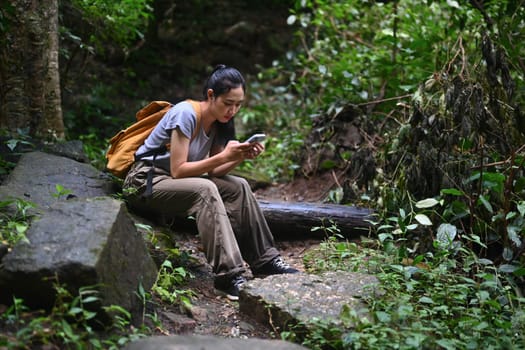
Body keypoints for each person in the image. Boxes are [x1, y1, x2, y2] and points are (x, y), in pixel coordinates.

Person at [123, 64, 298, 300]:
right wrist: (223, 155)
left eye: (238, 105)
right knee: (205, 189)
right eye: (228, 103)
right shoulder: (186, 113)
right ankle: (228, 276)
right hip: (145, 180)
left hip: (170, 181)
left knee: (239, 186)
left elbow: (215, 169)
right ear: (210, 95)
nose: (232, 110)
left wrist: (238, 156)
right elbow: (178, 170)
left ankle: (265, 260)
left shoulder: (221, 121)